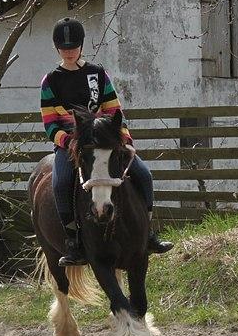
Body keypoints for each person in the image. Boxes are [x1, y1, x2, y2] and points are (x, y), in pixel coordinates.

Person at [40, 17, 173, 266]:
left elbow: (114, 111)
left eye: (73, 47)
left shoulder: (98, 74)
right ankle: (73, 241)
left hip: (105, 142)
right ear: (57, 48)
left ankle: (149, 233)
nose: (69, 52)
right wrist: (69, 141)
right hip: (70, 146)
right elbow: (49, 124)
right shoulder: (50, 81)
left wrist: (125, 139)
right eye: (64, 48)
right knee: (60, 184)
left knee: (144, 174)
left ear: (81, 46)